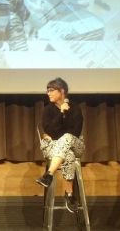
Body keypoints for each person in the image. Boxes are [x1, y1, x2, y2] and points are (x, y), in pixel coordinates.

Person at [35, 77, 84, 213]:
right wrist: (61, 113)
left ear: (62, 91)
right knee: (68, 155)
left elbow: (75, 132)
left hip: (76, 144)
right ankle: (69, 195)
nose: (48, 93)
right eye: (47, 91)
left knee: (68, 138)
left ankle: (49, 174)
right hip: (55, 149)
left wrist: (57, 134)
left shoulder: (75, 109)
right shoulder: (48, 110)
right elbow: (49, 130)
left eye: (51, 90)